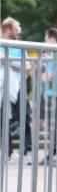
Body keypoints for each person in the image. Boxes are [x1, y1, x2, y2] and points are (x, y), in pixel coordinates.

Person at [2, 18, 32, 158]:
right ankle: (6, 151)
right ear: (8, 30)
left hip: (18, 86)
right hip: (2, 86)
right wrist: (14, 63)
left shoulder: (19, 46)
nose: (18, 32)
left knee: (24, 117)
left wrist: (8, 61)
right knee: (3, 118)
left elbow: (27, 66)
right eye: (15, 29)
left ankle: (27, 149)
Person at [38, 28, 57, 165]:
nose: (44, 42)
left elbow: (49, 77)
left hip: (56, 95)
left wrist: (42, 71)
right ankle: (54, 154)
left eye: (46, 39)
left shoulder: (56, 55)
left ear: (52, 39)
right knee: (56, 125)